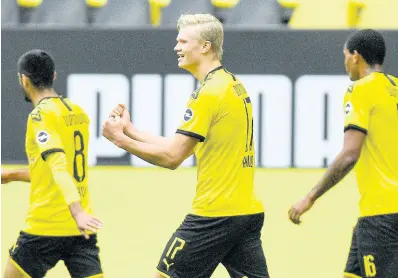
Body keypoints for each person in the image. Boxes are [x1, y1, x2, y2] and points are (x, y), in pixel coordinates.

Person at [102, 13, 269, 278]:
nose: (176, 47)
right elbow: (179, 144)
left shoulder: (207, 93)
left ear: (205, 46)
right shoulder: (231, 83)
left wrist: (118, 140)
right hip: (245, 212)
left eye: (182, 41)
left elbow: (172, 157)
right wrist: (130, 131)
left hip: (214, 215)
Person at [288, 29, 398, 278]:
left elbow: (350, 154)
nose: (345, 61)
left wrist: (310, 198)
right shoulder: (395, 87)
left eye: (346, 55)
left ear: (356, 56)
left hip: (382, 214)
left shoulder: (360, 89)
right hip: (375, 216)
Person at [1, 49, 104, 278]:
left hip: (44, 226)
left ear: (23, 79)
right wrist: (10, 176)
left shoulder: (40, 116)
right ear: (54, 76)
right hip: (81, 231)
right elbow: (57, 170)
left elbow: (58, 167)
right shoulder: (78, 112)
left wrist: (76, 213)